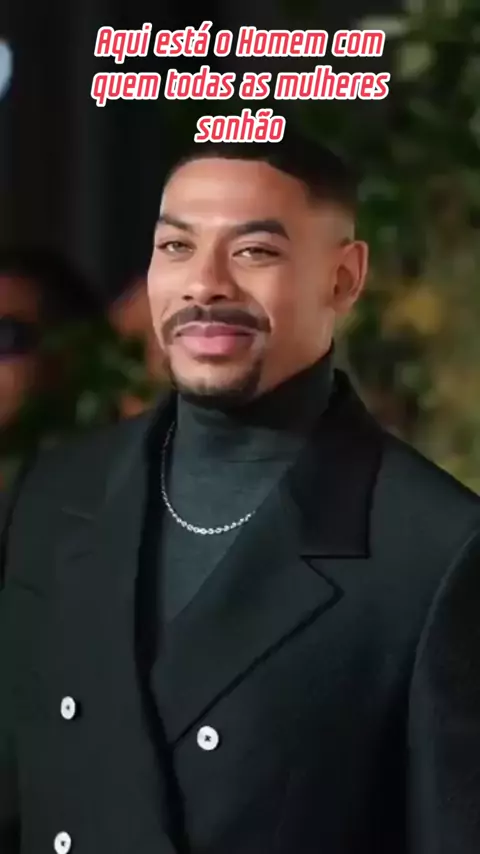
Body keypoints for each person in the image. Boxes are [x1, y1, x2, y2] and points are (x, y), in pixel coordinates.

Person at [1, 134, 480, 854]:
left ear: (343, 278)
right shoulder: (56, 494)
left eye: (255, 251)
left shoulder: (436, 549)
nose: (205, 285)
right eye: (176, 247)